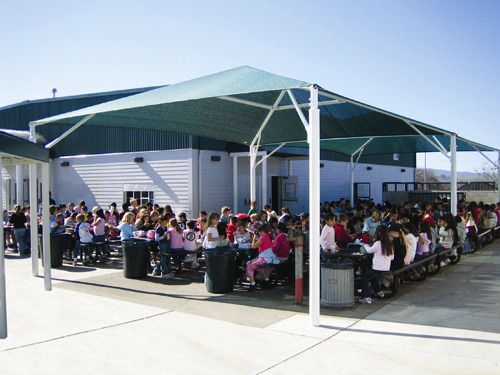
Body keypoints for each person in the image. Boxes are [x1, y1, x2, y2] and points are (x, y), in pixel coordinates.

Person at [359, 226, 394, 304]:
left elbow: (369, 251)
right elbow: (392, 257)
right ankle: (378, 291)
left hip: (378, 267)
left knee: (364, 278)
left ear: (378, 233)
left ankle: (366, 297)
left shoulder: (378, 243)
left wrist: (365, 245)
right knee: (372, 276)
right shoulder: (390, 243)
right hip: (386, 266)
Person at [247, 223, 279, 291]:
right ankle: (267, 280)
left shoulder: (263, 238)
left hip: (264, 257)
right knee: (258, 266)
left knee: (249, 266)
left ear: (261, 231)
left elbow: (253, 246)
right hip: (268, 257)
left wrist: (254, 238)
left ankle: (252, 284)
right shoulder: (267, 236)